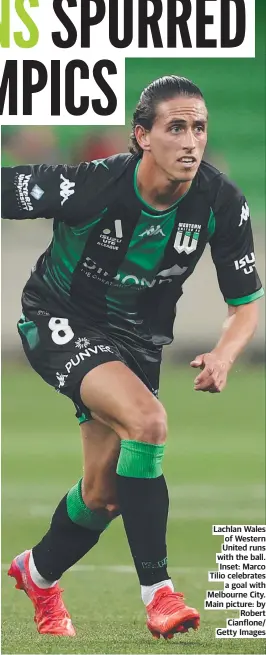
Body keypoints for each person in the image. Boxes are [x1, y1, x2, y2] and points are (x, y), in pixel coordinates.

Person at [1, 76, 263, 640]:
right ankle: (160, 595)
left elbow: (245, 305)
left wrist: (224, 353)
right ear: (141, 136)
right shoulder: (93, 186)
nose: (191, 141)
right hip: (58, 318)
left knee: (104, 495)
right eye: (175, 128)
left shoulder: (220, 201)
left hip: (138, 343)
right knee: (149, 423)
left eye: (199, 127)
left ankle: (37, 574)